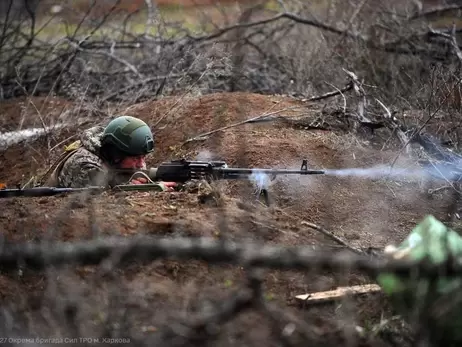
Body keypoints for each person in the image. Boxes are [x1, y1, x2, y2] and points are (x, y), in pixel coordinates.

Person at [44, 115, 177, 191]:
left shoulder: (119, 159)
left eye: (143, 157)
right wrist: (153, 188)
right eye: (136, 158)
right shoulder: (83, 164)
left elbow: (128, 177)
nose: (141, 164)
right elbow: (104, 195)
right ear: (116, 154)